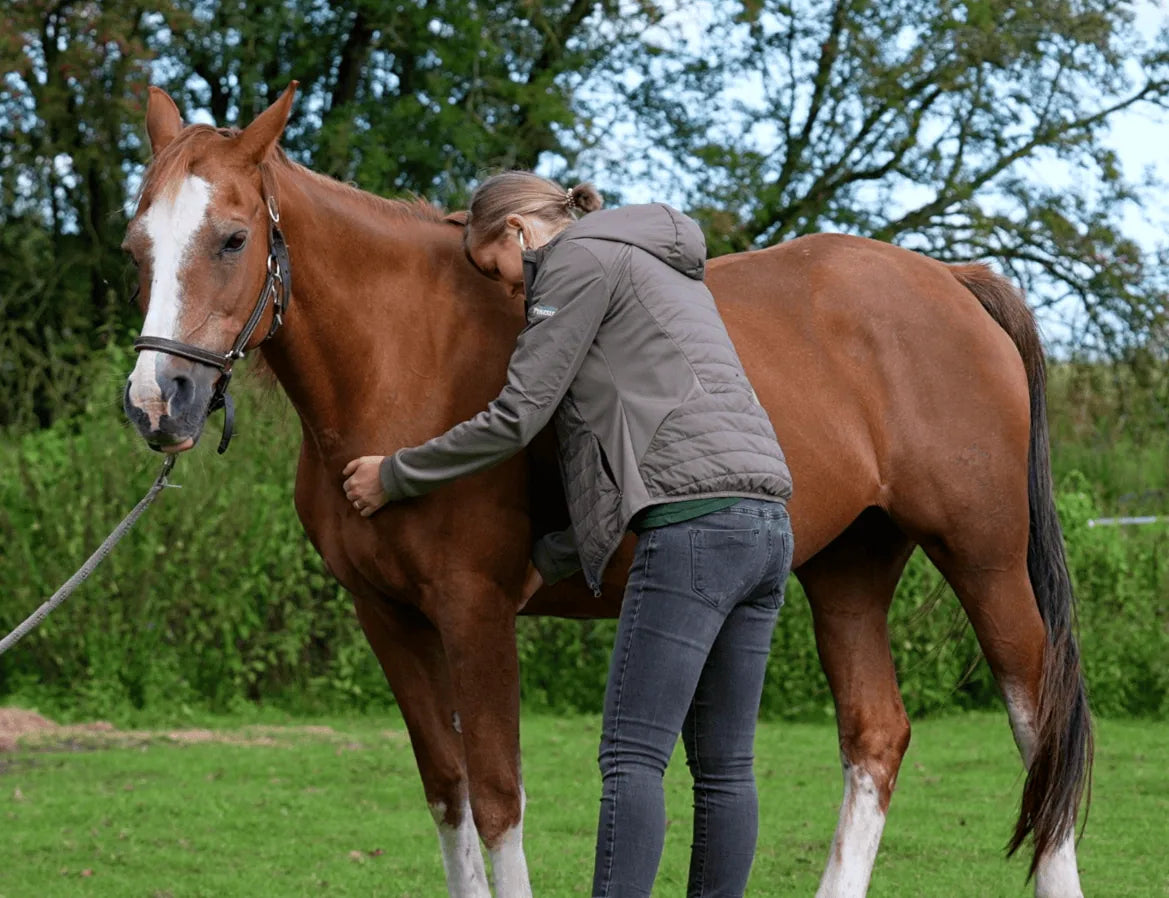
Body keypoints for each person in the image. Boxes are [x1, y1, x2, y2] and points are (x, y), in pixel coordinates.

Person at [341, 171, 794, 897]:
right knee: (723, 770)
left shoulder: (576, 261)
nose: (511, 295)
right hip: (767, 523)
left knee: (631, 758)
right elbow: (616, 441)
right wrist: (551, 554)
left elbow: (518, 416)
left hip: (693, 528)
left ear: (518, 233)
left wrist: (396, 474)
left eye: (499, 272)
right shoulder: (650, 258)